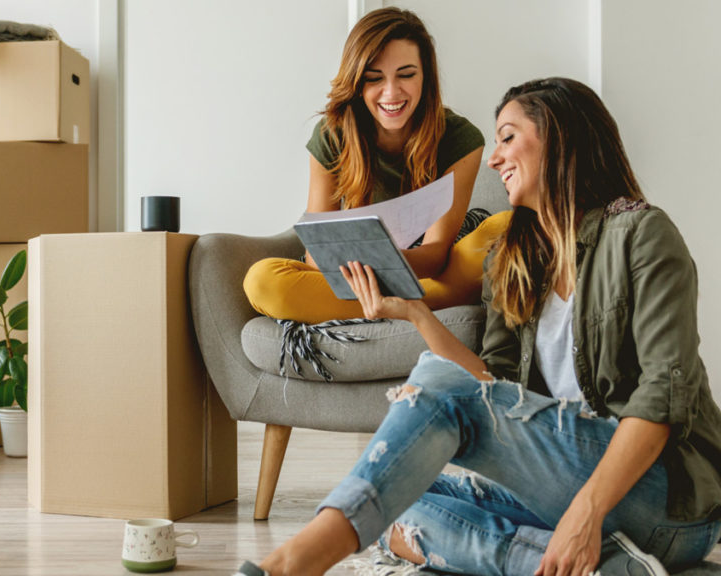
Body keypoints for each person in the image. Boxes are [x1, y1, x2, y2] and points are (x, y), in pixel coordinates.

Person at [234, 77, 721, 576]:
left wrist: (586, 512)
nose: (493, 158)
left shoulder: (640, 234)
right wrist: (418, 314)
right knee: (393, 497)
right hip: (563, 486)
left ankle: (294, 564)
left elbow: (662, 396)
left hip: (665, 501)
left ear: (557, 136)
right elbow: (497, 392)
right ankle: (609, 570)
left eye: (508, 137)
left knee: (422, 414)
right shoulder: (514, 259)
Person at [243, 7, 511, 325]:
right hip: (354, 275)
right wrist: (362, 271)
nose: (391, 92)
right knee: (261, 280)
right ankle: (413, 309)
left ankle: (395, 306)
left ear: (426, 76)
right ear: (357, 82)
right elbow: (317, 252)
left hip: (428, 268)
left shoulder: (460, 138)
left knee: (505, 226)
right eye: (374, 79)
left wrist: (379, 265)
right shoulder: (333, 134)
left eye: (406, 75)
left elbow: (436, 255)